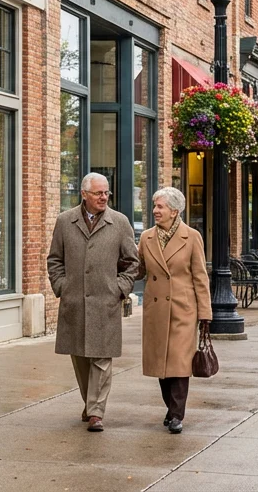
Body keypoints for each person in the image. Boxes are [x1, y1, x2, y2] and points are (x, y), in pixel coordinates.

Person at [47, 172, 139, 432]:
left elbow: (132, 263)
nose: (103, 197)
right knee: (80, 357)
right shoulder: (65, 221)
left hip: (105, 303)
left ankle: (96, 411)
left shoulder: (119, 222)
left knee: (101, 357)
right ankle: (90, 402)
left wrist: (119, 288)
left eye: (106, 192)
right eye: (98, 193)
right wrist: (61, 286)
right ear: (84, 194)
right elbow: (54, 260)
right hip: (74, 302)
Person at [135, 187, 212, 435]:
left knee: (179, 363)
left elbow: (200, 277)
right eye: (155, 206)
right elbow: (138, 270)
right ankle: (170, 408)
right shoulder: (146, 237)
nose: (155, 211)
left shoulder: (191, 237)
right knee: (161, 364)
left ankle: (177, 414)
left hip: (183, 309)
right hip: (156, 309)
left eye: (160, 207)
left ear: (174, 211)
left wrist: (205, 314)